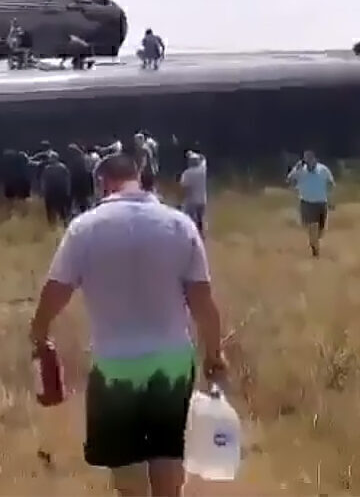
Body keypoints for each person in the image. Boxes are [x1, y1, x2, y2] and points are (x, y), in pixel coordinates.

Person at [29, 153, 227, 497]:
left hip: (115, 364)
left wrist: (39, 332)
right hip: (172, 361)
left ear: (102, 182)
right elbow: (203, 302)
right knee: (168, 450)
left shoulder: (85, 228)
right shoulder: (179, 225)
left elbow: (55, 291)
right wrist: (214, 353)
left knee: (126, 461)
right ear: (140, 176)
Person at [287, 150, 335, 257]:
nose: (308, 161)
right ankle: (315, 249)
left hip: (321, 203)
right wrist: (295, 170)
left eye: (310, 158)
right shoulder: (300, 170)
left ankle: (314, 242)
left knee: (321, 230)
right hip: (307, 203)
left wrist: (330, 197)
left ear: (315, 159)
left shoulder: (323, 169)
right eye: (306, 159)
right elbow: (289, 180)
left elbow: (331, 183)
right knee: (312, 227)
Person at [40, 151, 73, 226]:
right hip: (59, 190)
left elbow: (43, 181)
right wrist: (68, 190)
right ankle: (64, 224)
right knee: (61, 209)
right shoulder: (62, 167)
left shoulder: (48, 168)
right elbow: (67, 179)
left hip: (52, 191)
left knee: (51, 210)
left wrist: (43, 191)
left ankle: (53, 224)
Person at [179, 151, 208, 236]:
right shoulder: (202, 170)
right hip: (202, 200)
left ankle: (193, 235)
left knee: (190, 220)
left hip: (191, 201)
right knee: (200, 219)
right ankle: (201, 234)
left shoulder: (187, 173)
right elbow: (204, 159)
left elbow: (183, 186)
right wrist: (195, 153)